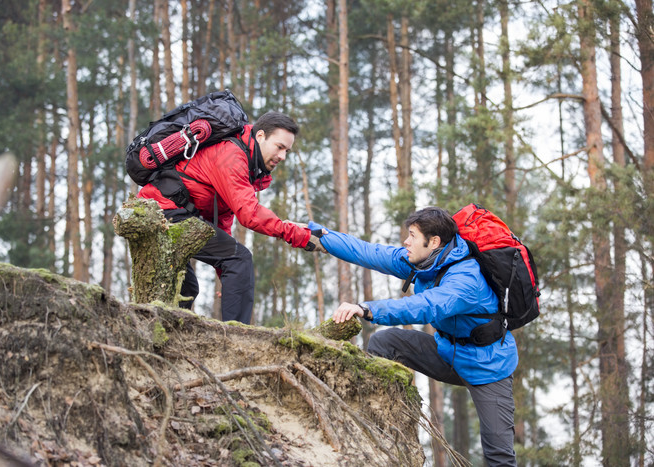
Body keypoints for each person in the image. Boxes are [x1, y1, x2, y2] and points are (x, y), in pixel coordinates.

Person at [309, 207, 518, 466]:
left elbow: (425, 306)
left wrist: (367, 309)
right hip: (446, 352)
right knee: (384, 343)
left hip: (488, 367)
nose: (405, 242)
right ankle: (377, 422)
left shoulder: (466, 279)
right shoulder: (424, 261)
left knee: (499, 455)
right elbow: (370, 252)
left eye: (412, 236)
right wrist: (319, 235)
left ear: (433, 242)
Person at [138, 111, 325, 324]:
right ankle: (238, 339)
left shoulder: (246, 160)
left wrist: (227, 276)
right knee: (239, 259)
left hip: (171, 212)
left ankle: (168, 338)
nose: (282, 156)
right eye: (280, 147)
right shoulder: (232, 155)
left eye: (287, 151)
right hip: (162, 212)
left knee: (188, 287)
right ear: (261, 136)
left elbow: (222, 220)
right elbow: (250, 214)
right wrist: (298, 235)